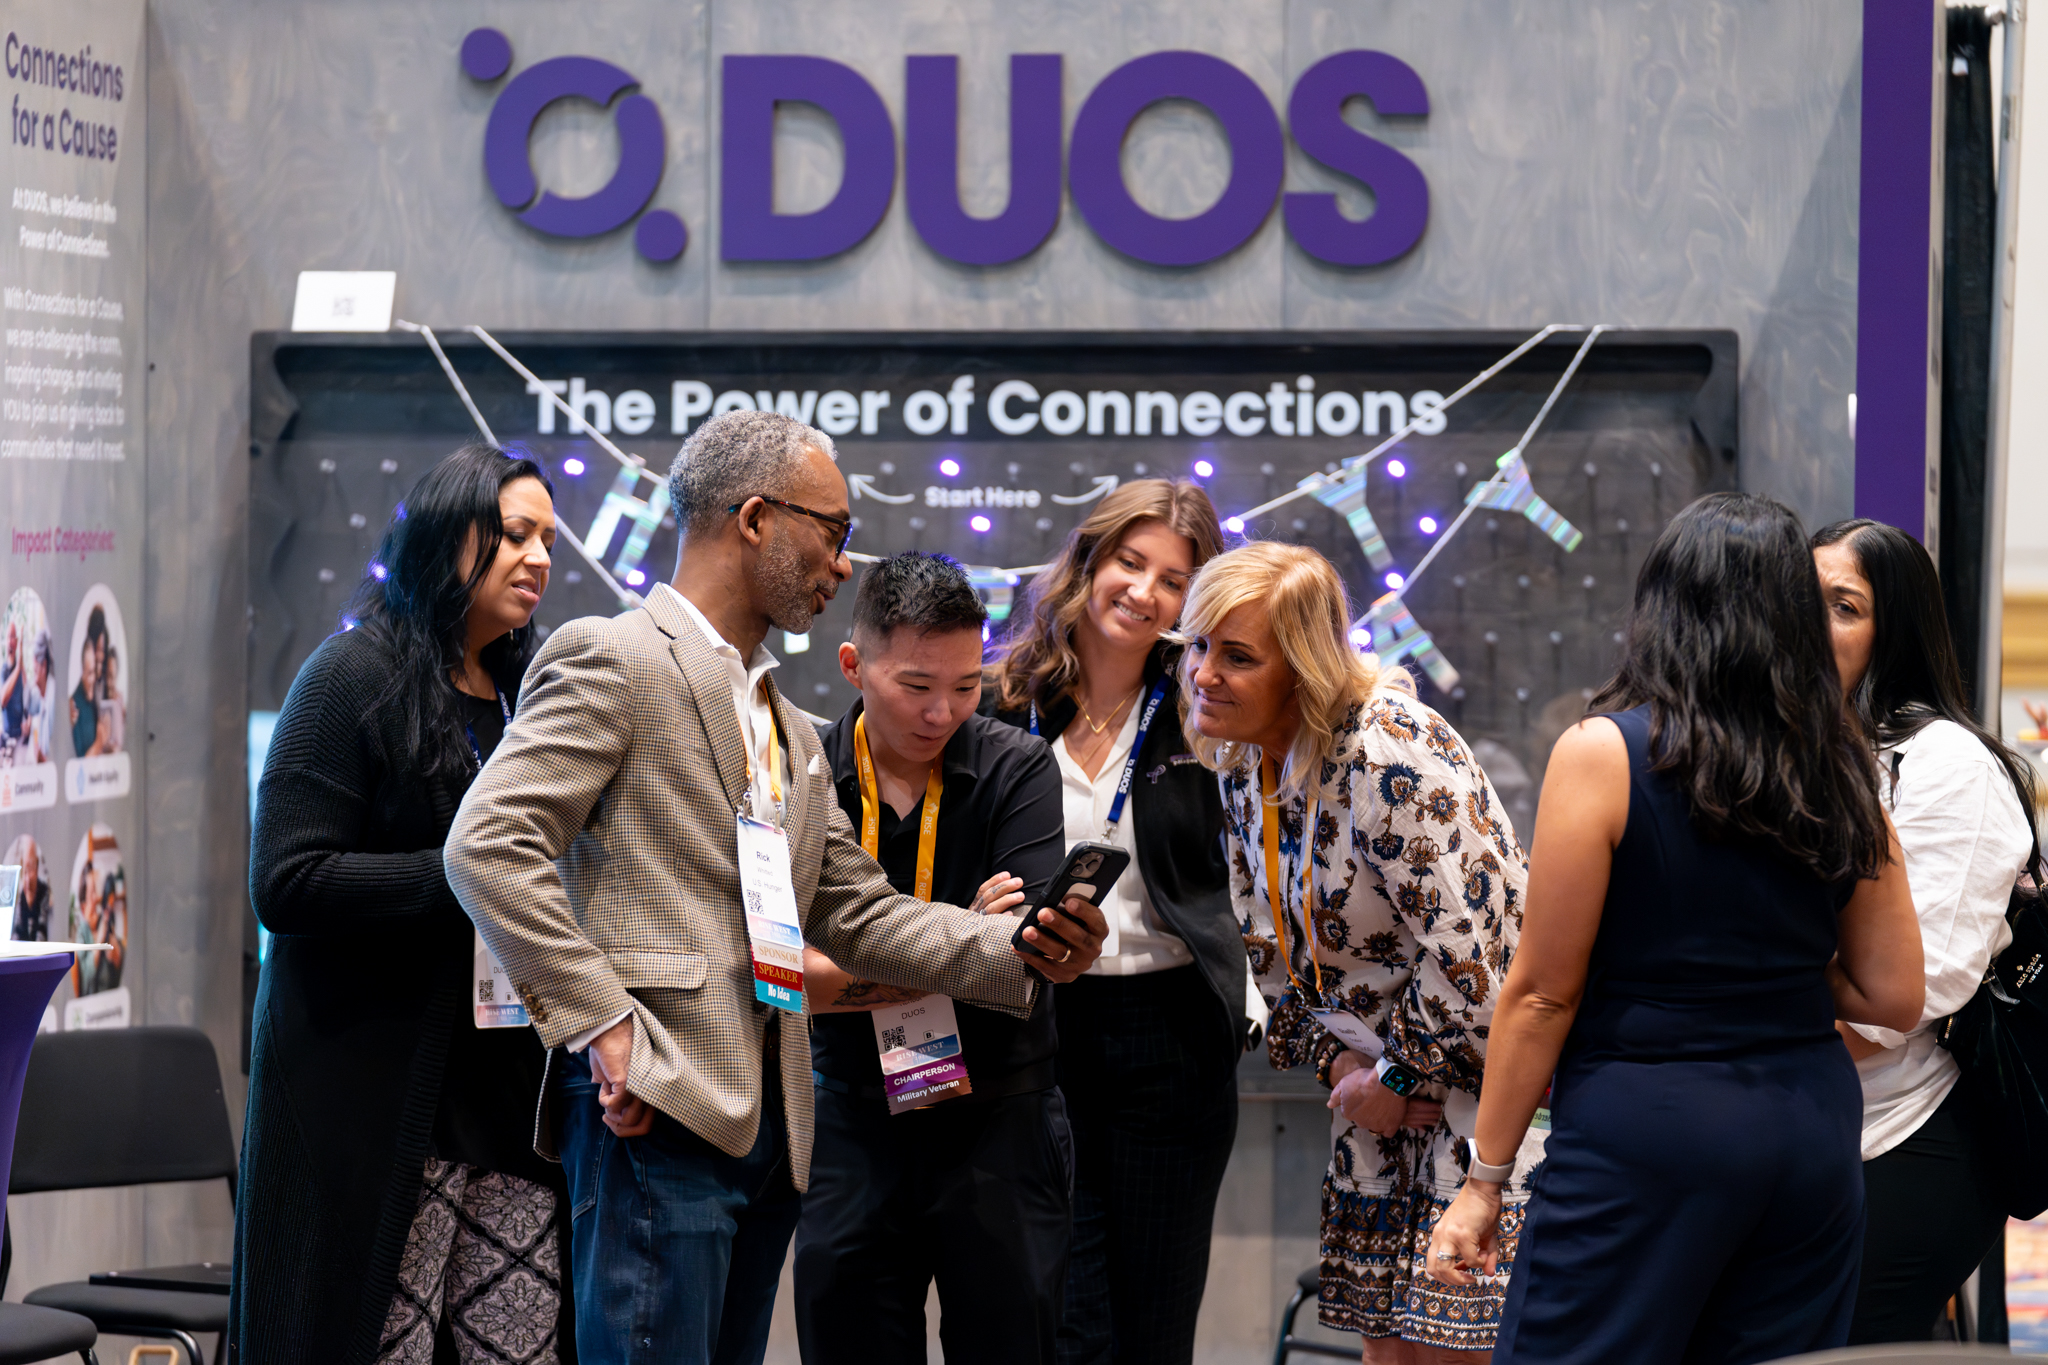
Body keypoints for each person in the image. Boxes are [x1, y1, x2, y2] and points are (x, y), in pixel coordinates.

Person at [444, 409, 1109, 1365]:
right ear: (754, 517)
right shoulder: (615, 654)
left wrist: (1026, 947)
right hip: (659, 1101)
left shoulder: (789, 725)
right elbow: (487, 843)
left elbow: (859, 910)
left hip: (772, 1132)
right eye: (833, 532)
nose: (844, 564)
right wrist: (605, 1024)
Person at [1427, 492, 1926, 1363]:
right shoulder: (1844, 763)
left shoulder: (1603, 751)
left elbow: (1544, 991)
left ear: (1660, 606)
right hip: (1809, 1137)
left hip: (1647, 1133)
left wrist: (1484, 1181)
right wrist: (1772, 971)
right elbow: (1894, 992)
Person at [234, 443, 568, 1365]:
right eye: (513, 533)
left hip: (509, 1112)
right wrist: (467, 875)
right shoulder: (349, 676)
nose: (538, 557)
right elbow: (287, 881)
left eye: (547, 538)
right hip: (372, 1106)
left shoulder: (530, 697)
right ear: (443, 533)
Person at [1176, 541, 1535, 1361]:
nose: (1203, 674)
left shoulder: (1387, 751)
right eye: (1198, 645)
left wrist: (1396, 1077)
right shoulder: (1240, 763)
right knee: (1387, 1352)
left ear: (1302, 667)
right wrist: (1344, 1075)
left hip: (1470, 1101)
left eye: (1236, 655)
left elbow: (1482, 962)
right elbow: (1264, 950)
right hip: (1371, 1104)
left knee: (1454, 1349)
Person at [983, 478, 1253, 1365]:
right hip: (1034, 1032)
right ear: (1089, 561)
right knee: (1064, 1320)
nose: (1144, 591)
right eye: (1130, 563)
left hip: (1169, 1040)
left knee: (1154, 1324)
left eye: (1174, 579)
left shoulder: (1206, 714)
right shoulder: (1001, 699)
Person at [794, 551, 1072, 1364]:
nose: (942, 711)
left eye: (966, 685)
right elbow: (786, 978)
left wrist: (847, 967)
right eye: (916, 686)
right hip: (849, 1114)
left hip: (1000, 1117)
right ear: (854, 664)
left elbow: (1018, 964)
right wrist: (962, 936)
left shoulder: (1016, 766)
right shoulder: (806, 773)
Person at [1811, 519, 2039, 1343]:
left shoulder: (1947, 764)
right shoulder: (1799, 750)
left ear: (1895, 629)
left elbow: (1911, 994)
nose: (1812, 626)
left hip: (1910, 1132)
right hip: (1813, 1128)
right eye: (1801, 602)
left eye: (1843, 606)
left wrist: (1740, 1057)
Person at [69, 608, 105, 760]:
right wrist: (99, 743)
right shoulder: (74, 705)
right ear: (81, 671)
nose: (93, 678)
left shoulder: (94, 699)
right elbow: (79, 763)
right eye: (89, 673)